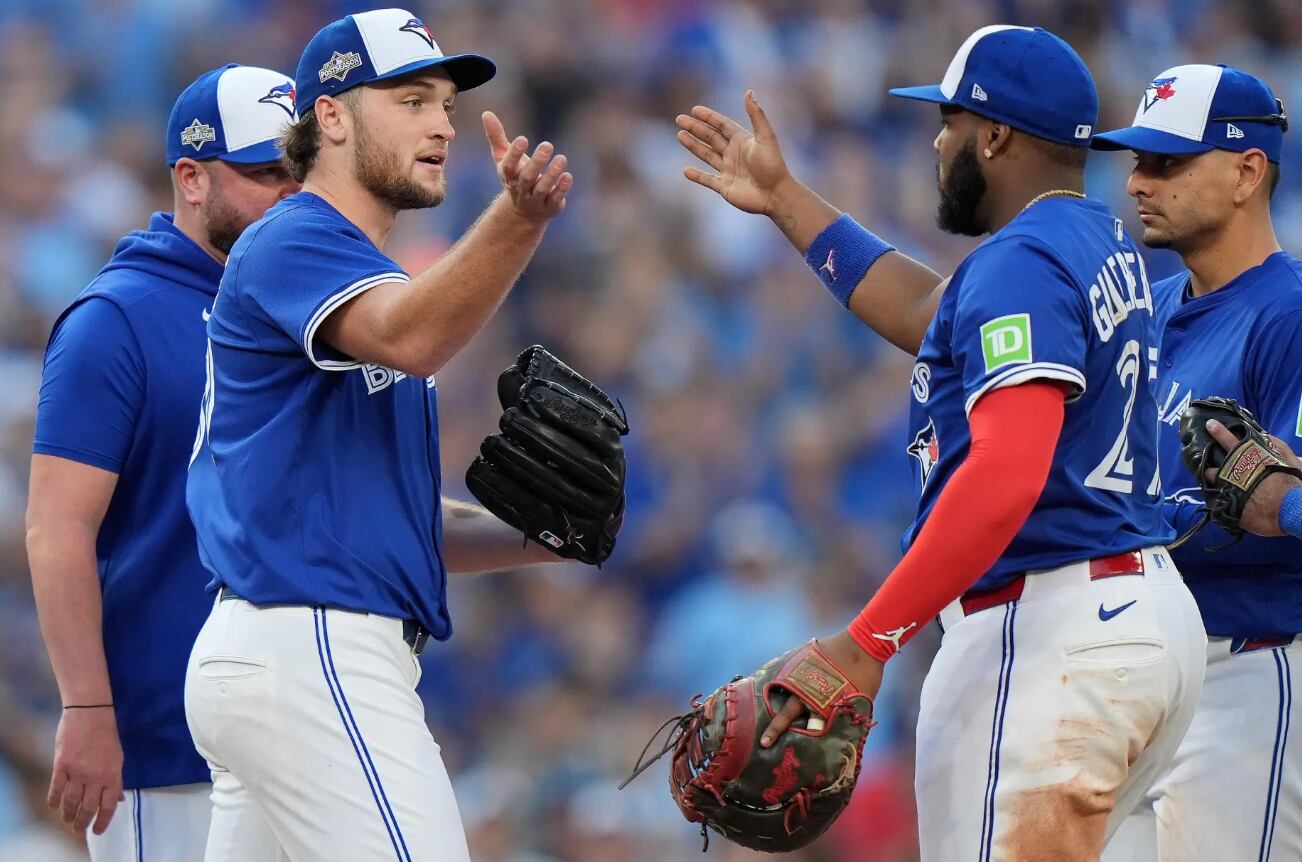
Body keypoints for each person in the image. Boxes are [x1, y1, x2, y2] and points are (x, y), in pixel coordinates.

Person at [676, 25, 1206, 859]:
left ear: (993, 136)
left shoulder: (1022, 260)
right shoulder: (1087, 237)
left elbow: (1006, 472)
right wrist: (785, 199)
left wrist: (866, 641)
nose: (936, 141)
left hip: (1050, 629)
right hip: (1132, 621)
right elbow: (930, 315)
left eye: (949, 121)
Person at [183, 9, 582, 860]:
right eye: (410, 100)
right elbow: (413, 337)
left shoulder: (356, 271)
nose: (442, 124)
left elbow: (396, 521)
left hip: (281, 648)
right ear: (329, 116)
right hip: (315, 644)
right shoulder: (295, 237)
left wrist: (543, 535)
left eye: (444, 103)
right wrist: (517, 219)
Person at [26, 64, 299, 861]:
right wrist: (87, 709)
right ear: (191, 178)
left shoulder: (300, 314)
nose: (289, 192)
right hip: (167, 746)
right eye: (264, 173)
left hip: (297, 729)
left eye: (300, 170)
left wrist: (538, 536)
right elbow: (56, 527)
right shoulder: (117, 318)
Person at [1087, 64, 1302, 862]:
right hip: (1145, 679)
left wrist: (1281, 505)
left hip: (1251, 667)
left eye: (1168, 162)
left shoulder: (1289, 313)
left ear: (1247, 172)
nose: (1138, 181)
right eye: (1138, 159)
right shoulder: (1147, 309)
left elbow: (1284, 499)